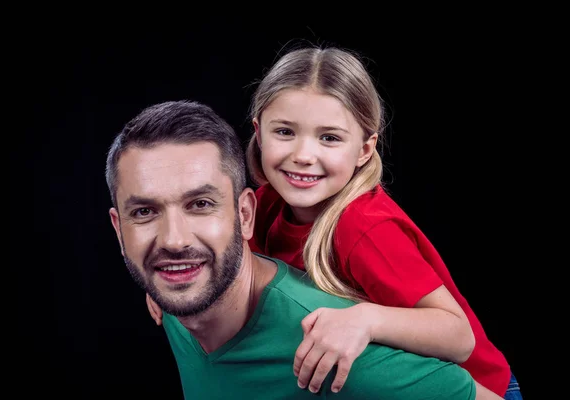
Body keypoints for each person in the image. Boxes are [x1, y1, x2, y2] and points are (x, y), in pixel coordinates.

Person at [145, 46, 521, 399]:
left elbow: (459, 337)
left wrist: (365, 320)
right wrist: (179, 277)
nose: (304, 155)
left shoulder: (362, 227)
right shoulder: (266, 204)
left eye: (329, 138)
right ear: (258, 132)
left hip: (477, 388)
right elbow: (226, 259)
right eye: (285, 132)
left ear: (364, 150)